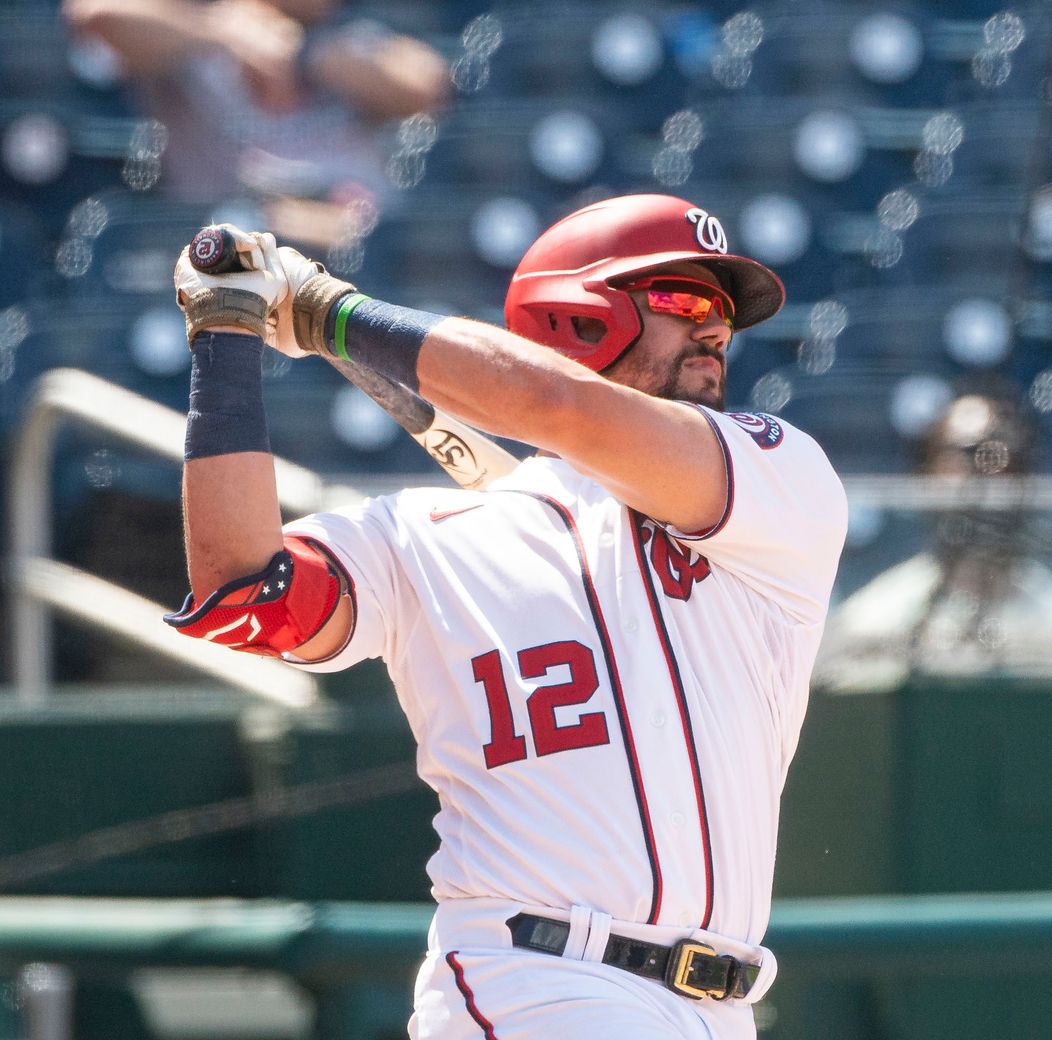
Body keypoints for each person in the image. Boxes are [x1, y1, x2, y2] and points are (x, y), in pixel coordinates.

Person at [164, 194, 848, 1039]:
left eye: (725, 311)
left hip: (718, 1004)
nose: (715, 328)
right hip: (535, 984)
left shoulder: (781, 481)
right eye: (683, 299)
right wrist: (226, 338)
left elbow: (553, 408)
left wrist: (328, 313)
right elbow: (242, 591)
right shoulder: (425, 538)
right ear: (579, 319)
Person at [813, 389, 1052, 693]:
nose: (987, 468)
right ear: (926, 472)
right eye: (964, 454)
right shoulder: (875, 617)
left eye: (1002, 451)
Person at [64, 0, 448, 247]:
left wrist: (302, 53)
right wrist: (216, 30)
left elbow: (431, 87)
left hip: (357, 257)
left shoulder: (351, 37)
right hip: (231, 256)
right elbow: (95, 14)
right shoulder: (194, 37)